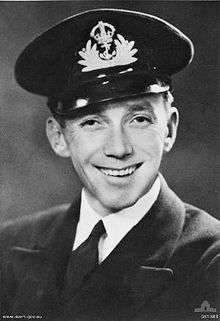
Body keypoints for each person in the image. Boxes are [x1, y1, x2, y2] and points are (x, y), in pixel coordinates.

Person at [0, 8, 219, 321]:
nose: (119, 148)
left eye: (139, 119)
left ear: (168, 129)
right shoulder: (8, 247)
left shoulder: (209, 261)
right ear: (58, 137)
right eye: (92, 122)